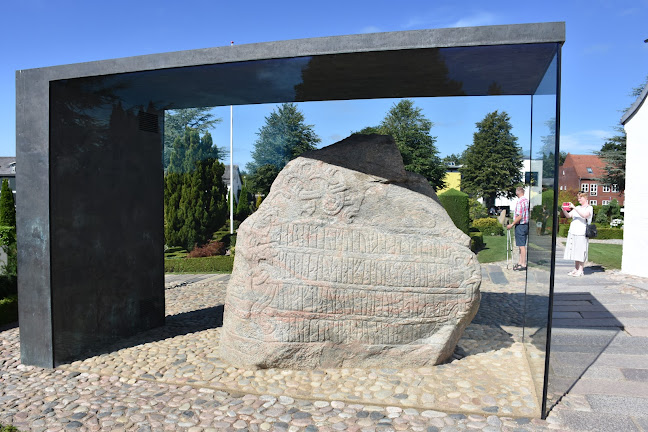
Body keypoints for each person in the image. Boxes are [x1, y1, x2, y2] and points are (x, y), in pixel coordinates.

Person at [562, 192, 593, 277]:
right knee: (575, 251)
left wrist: (574, 207)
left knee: (581, 251)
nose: (579, 199)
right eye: (578, 198)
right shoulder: (578, 208)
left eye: (581, 198)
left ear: (586, 198)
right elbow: (568, 216)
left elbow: (584, 215)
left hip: (581, 233)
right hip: (573, 231)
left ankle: (581, 270)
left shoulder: (589, 208)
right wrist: (564, 209)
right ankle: (576, 268)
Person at [506, 186, 529, 271]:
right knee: (521, 244)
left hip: (521, 225)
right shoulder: (526, 200)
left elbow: (520, 216)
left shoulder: (520, 202)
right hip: (526, 225)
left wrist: (512, 224)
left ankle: (523, 264)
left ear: (517, 192)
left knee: (522, 246)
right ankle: (520, 261)